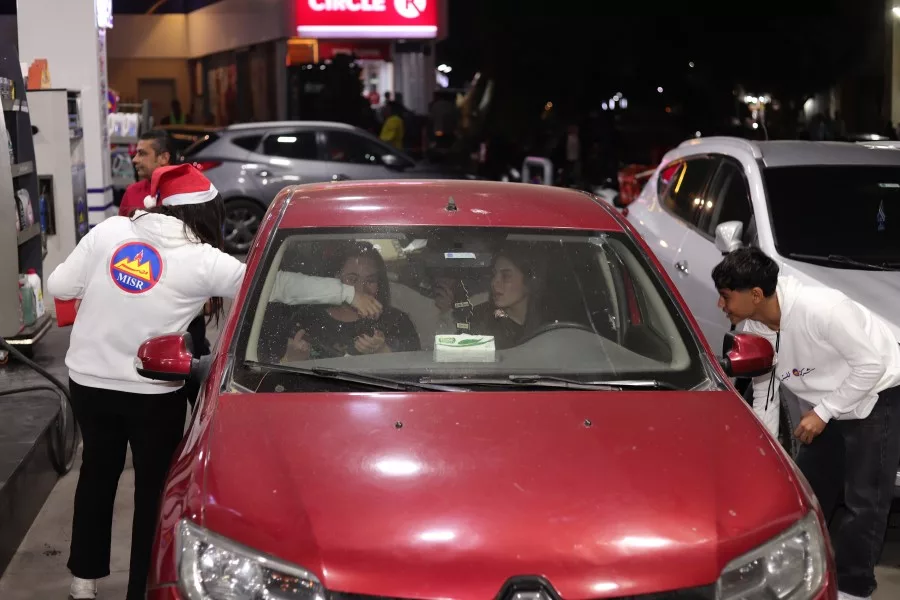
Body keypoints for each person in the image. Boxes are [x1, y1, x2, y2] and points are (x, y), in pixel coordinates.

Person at [48, 164, 382, 600]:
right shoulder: (203, 261)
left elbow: (59, 284)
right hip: (152, 390)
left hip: (88, 383)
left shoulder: (110, 230)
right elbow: (276, 285)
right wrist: (347, 292)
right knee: (153, 493)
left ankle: (82, 585)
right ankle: (139, 591)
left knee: (96, 474)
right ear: (207, 216)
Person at [711, 247, 900, 600]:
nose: (720, 305)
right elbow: (765, 393)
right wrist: (765, 453)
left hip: (876, 394)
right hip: (826, 404)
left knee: (864, 501)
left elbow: (871, 366)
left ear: (755, 294)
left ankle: (853, 588)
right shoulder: (754, 329)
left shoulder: (822, 309)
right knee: (805, 493)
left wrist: (824, 412)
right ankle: (799, 574)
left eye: (725, 296)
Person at [117, 129, 210, 402]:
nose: (135, 160)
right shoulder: (132, 194)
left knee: (193, 377)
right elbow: (119, 245)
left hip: (185, 306)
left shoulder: (189, 194)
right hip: (144, 303)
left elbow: (207, 243)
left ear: (163, 157)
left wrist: (209, 294)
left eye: (142, 153)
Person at [282, 241, 420, 361]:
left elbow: (414, 372)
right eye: (352, 279)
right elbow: (280, 370)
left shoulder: (396, 321)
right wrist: (293, 358)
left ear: (380, 283)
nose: (361, 289)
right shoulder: (308, 319)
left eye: (370, 280)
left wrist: (382, 351)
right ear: (336, 278)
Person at [463, 246, 546, 350]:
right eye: (493, 275)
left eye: (506, 276)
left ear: (529, 281)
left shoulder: (549, 321)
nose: (494, 283)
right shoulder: (478, 320)